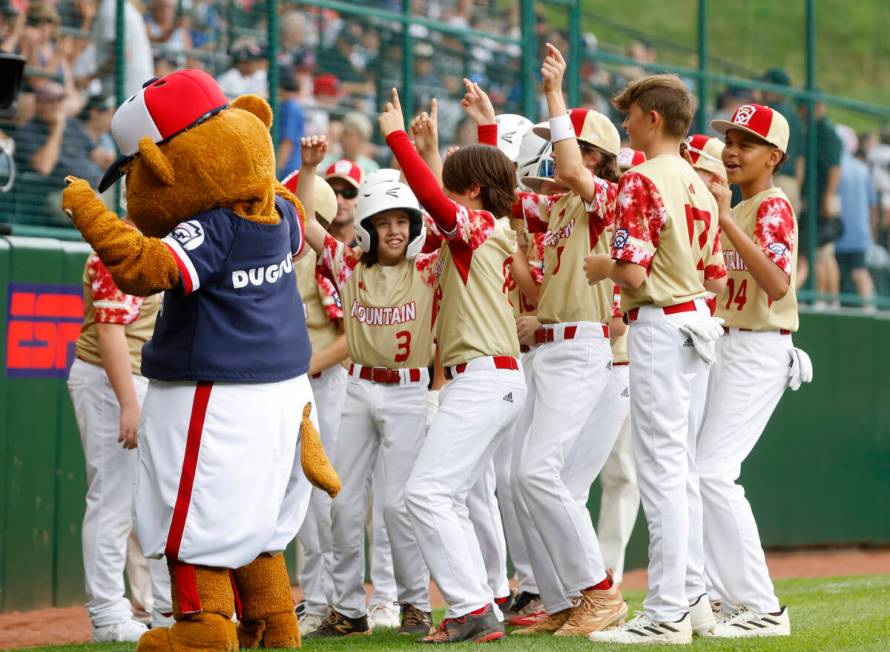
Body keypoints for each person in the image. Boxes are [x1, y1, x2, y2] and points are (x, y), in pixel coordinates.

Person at [584, 73, 727, 645]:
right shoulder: (696, 180)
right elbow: (716, 274)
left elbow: (634, 272)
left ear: (654, 117)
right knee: (682, 468)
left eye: (631, 113)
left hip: (662, 323)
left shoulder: (642, 179)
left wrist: (601, 267)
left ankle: (666, 612)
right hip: (694, 320)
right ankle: (692, 600)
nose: (625, 123)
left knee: (663, 470)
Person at [382, 88, 526, 643]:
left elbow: (440, 201)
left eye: (453, 184)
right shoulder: (490, 230)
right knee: (454, 496)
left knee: (425, 494)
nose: (442, 194)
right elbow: (452, 202)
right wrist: (474, 135)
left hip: (483, 379)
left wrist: (398, 137)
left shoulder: (479, 229)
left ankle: (471, 607)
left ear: (469, 192)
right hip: (490, 378)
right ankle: (480, 602)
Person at [505, 44, 627, 638]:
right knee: (520, 479)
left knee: (536, 474)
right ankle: (562, 600)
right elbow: (498, 194)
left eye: (566, 147)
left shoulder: (605, 196)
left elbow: (575, 171)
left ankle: (599, 593)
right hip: (551, 348)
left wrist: (554, 93)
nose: (554, 158)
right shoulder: (554, 209)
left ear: (598, 158)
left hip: (583, 347)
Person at [299, 135, 435, 639]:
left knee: (400, 505)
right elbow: (308, 225)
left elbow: (442, 210)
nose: (395, 230)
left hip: (408, 390)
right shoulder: (350, 265)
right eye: (384, 223)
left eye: (402, 221)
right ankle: (349, 609)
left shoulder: (427, 268)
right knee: (342, 501)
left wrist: (420, 152)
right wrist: (310, 169)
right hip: (359, 389)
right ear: (367, 229)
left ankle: (415, 605)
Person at [698, 102, 809, 638]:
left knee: (713, 472)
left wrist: (720, 219)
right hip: (728, 342)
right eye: (730, 139)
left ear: (775, 156)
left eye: (747, 142)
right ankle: (724, 597)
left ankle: (762, 606)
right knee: (699, 473)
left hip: (759, 346)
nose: (733, 149)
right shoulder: (739, 207)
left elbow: (777, 284)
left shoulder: (772, 206)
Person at [67, 239, 172, 642]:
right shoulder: (119, 249)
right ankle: (108, 614)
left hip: (143, 379)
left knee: (158, 500)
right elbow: (109, 331)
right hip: (112, 380)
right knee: (112, 499)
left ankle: (167, 607)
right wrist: (128, 402)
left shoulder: (154, 245)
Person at [281, 170, 348, 635]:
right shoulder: (278, 260)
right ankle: (312, 598)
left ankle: (327, 600)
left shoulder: (323, 264)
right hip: (290, 390)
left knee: (323, 498)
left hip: (324, 384)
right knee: (293, 497)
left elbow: (351, 338)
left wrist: (299, 369)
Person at [798, 97, 842, 304]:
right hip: (817, 200)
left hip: (820, 201)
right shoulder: (815, 130)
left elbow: (834, 167)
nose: (801, 111)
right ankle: (829, 300)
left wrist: (828, 197)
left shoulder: (826, 132)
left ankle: (826, 299)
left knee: (819, 252)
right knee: (823, 252)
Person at [834, 125, 877, 309]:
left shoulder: (834, 168)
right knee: (859, 271)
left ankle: (832, 305)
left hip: (837, 233)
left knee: (835, 270)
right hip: (860, 233)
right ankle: (870, 308)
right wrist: (872, 232)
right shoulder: (863, 168)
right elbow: (872, 205)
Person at [759, 69, 805, 213]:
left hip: (771, 181)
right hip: (791, 183)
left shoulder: (768, 113)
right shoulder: (795, 117)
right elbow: (800, 159)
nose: (763, 90)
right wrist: (797, 185)